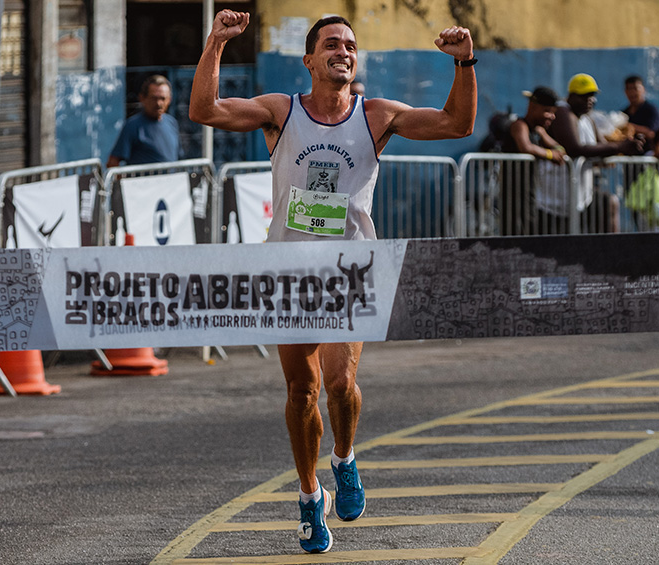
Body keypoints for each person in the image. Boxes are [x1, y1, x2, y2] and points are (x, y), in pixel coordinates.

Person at [190, 10, 476, 554]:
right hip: (291, 271)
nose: (343, 51)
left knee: (341, 386)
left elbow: (457, 125)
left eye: (349, 45)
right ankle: (307, 495)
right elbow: (204, 110)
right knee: (303, 390)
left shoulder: (377, 117)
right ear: (309, 60)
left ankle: (344, 460)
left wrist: (464, 63)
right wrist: (216, 43)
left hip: (351, 272)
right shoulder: (282, 111)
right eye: (331, 45)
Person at [545, 73, 644, 234]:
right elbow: (575, 148)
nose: (590, 100)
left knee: (609, 203)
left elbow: (604, 146)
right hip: (556, 198)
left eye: (592, 96)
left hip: (581, 194)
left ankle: (610, 254)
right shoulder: (563, 112)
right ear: (572, 96)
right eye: (584, 96)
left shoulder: (587, 118)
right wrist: (619, 146)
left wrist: (629, 144)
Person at [499, 86, 565, 235]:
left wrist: (557, 151)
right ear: (533, 107)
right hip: (512, 195)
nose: (552, 116)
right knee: (513, 235)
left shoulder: (538, 130)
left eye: (554, 113)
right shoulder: (519, 125)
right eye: (548, 111)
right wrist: (550, 155)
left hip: (530, 193)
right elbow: (526, 147)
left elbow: (559, 148)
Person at [106, 74, 180, 168]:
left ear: (169, 100)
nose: (158, 104)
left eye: (163, 98)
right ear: (142, 98)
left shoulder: (172, 123)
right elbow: (113, 162)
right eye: (154, 98)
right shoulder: (132, 126)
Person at [622, 75, 659, 147]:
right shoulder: (624, 113)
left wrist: (629, 126)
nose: (632, 92)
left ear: (643, 90)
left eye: (635, 88)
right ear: (625, 92)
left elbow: (651, 133)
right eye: (629, 89)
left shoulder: (651, 110)